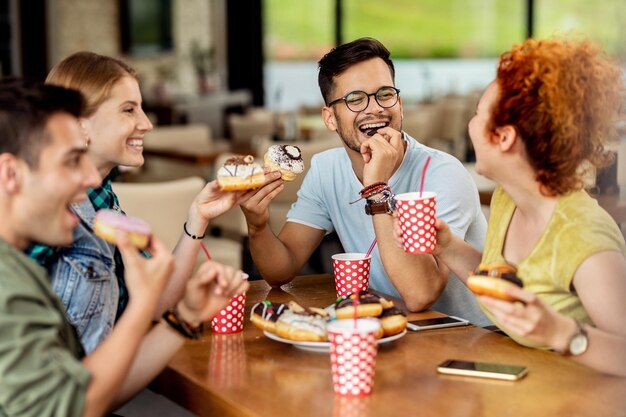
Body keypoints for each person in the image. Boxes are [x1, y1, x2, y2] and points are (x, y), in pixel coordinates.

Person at [0, 79, 249, 416]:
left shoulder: (18, 268)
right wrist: (142, 302)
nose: (90, 178)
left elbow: (88, 390)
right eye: (73, 160)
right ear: (11, 174)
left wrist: (185, 316)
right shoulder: (8, 286)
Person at [242, 37, 490, 325]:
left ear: (400, 103)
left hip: (469, 337)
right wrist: (257, 225)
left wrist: (376, 189)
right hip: (391, 329)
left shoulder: (443, 173)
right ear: (330, 118)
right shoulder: (326, 170)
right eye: (355, 99)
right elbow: (280, 270)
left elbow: (421, 294)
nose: (374, 109)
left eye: (385, 94)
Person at [417, 38, 626, 376]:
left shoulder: (584, 238)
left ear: (503, 137)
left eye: (477, 115)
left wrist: (560, 332)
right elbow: (500, 288)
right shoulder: (508, 198)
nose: (471, 125)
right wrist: (448, 247)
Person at [26, 52, 251, 353]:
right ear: (79, 123)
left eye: (141, 108)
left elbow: (154, 305)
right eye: (128, 110)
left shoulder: (103, 199)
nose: (146, 123)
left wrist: (198, 217)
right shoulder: (42, 211)